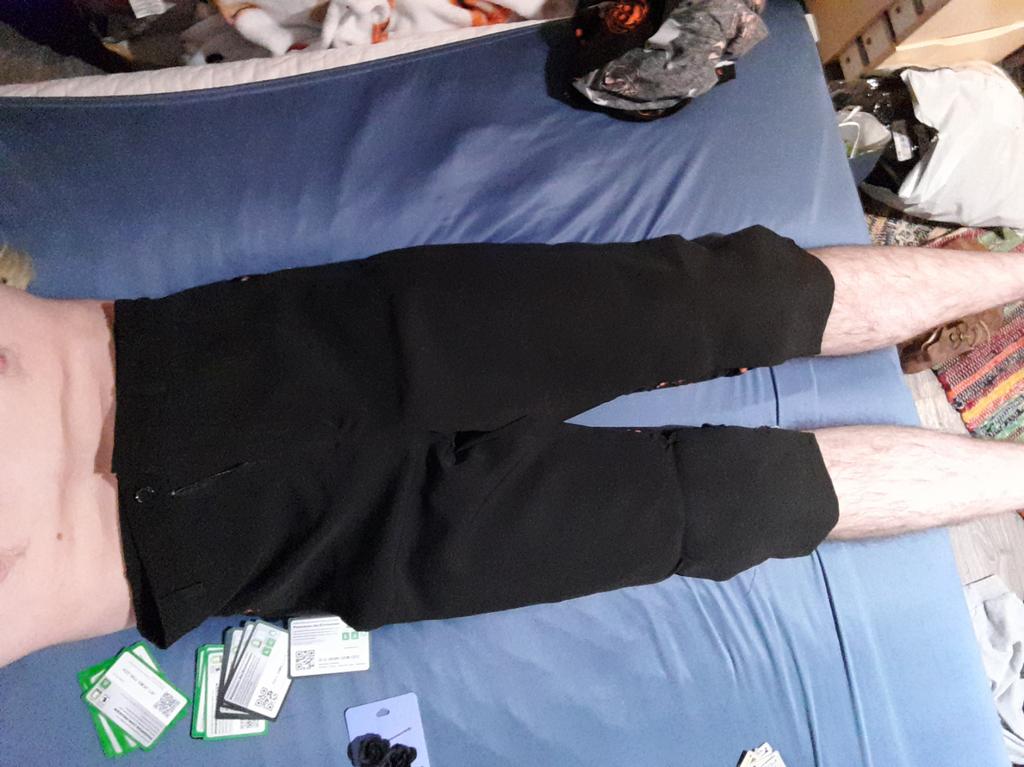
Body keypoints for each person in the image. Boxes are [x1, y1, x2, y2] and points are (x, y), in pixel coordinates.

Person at [2, 226, 1022, 669]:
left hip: (239, 352)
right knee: (732, 506)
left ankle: (1009, 271)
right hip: (269, 545)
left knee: (718, 299)